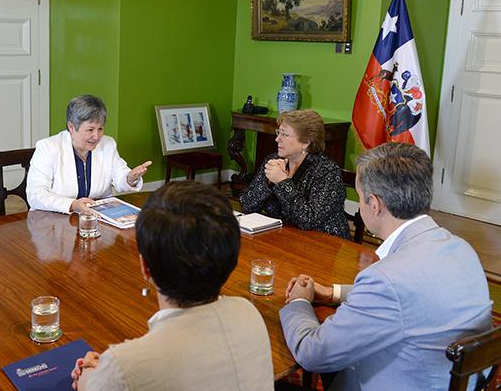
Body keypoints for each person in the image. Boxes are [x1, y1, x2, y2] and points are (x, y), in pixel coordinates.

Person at [279, 142, 492, 391]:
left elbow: (312, 354)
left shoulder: (386, 279)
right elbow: (416, 293)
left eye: (359, 198)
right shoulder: (461, 248)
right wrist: (332, 293)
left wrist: (299, 302)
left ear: (375, 204)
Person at [71, 181, 274, 391]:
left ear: (145, 267)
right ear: (232, 259)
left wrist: (90, 381)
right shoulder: (248, 312)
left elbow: (119, 376)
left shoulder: (123, 365)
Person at [26, 95, 152, 214]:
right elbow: (36, 195)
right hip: (55, 218)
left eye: (100, 129)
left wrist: (129, 178)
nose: (96, 136)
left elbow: (119, 174)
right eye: (90, 130)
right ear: (71, 127)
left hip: (97, 216)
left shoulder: (108, 144)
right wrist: (73, 204)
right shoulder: (48, 147)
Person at [239, 109, 350, 239]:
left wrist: (282, 182)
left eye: (285, 135)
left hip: (323, 242)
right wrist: (267, 183)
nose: (277, 139)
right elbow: (246, 206)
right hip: (282, 237)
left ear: (306, 142)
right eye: (278, 133)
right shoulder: (274, 161)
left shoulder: (327, 171)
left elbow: (309, 221)